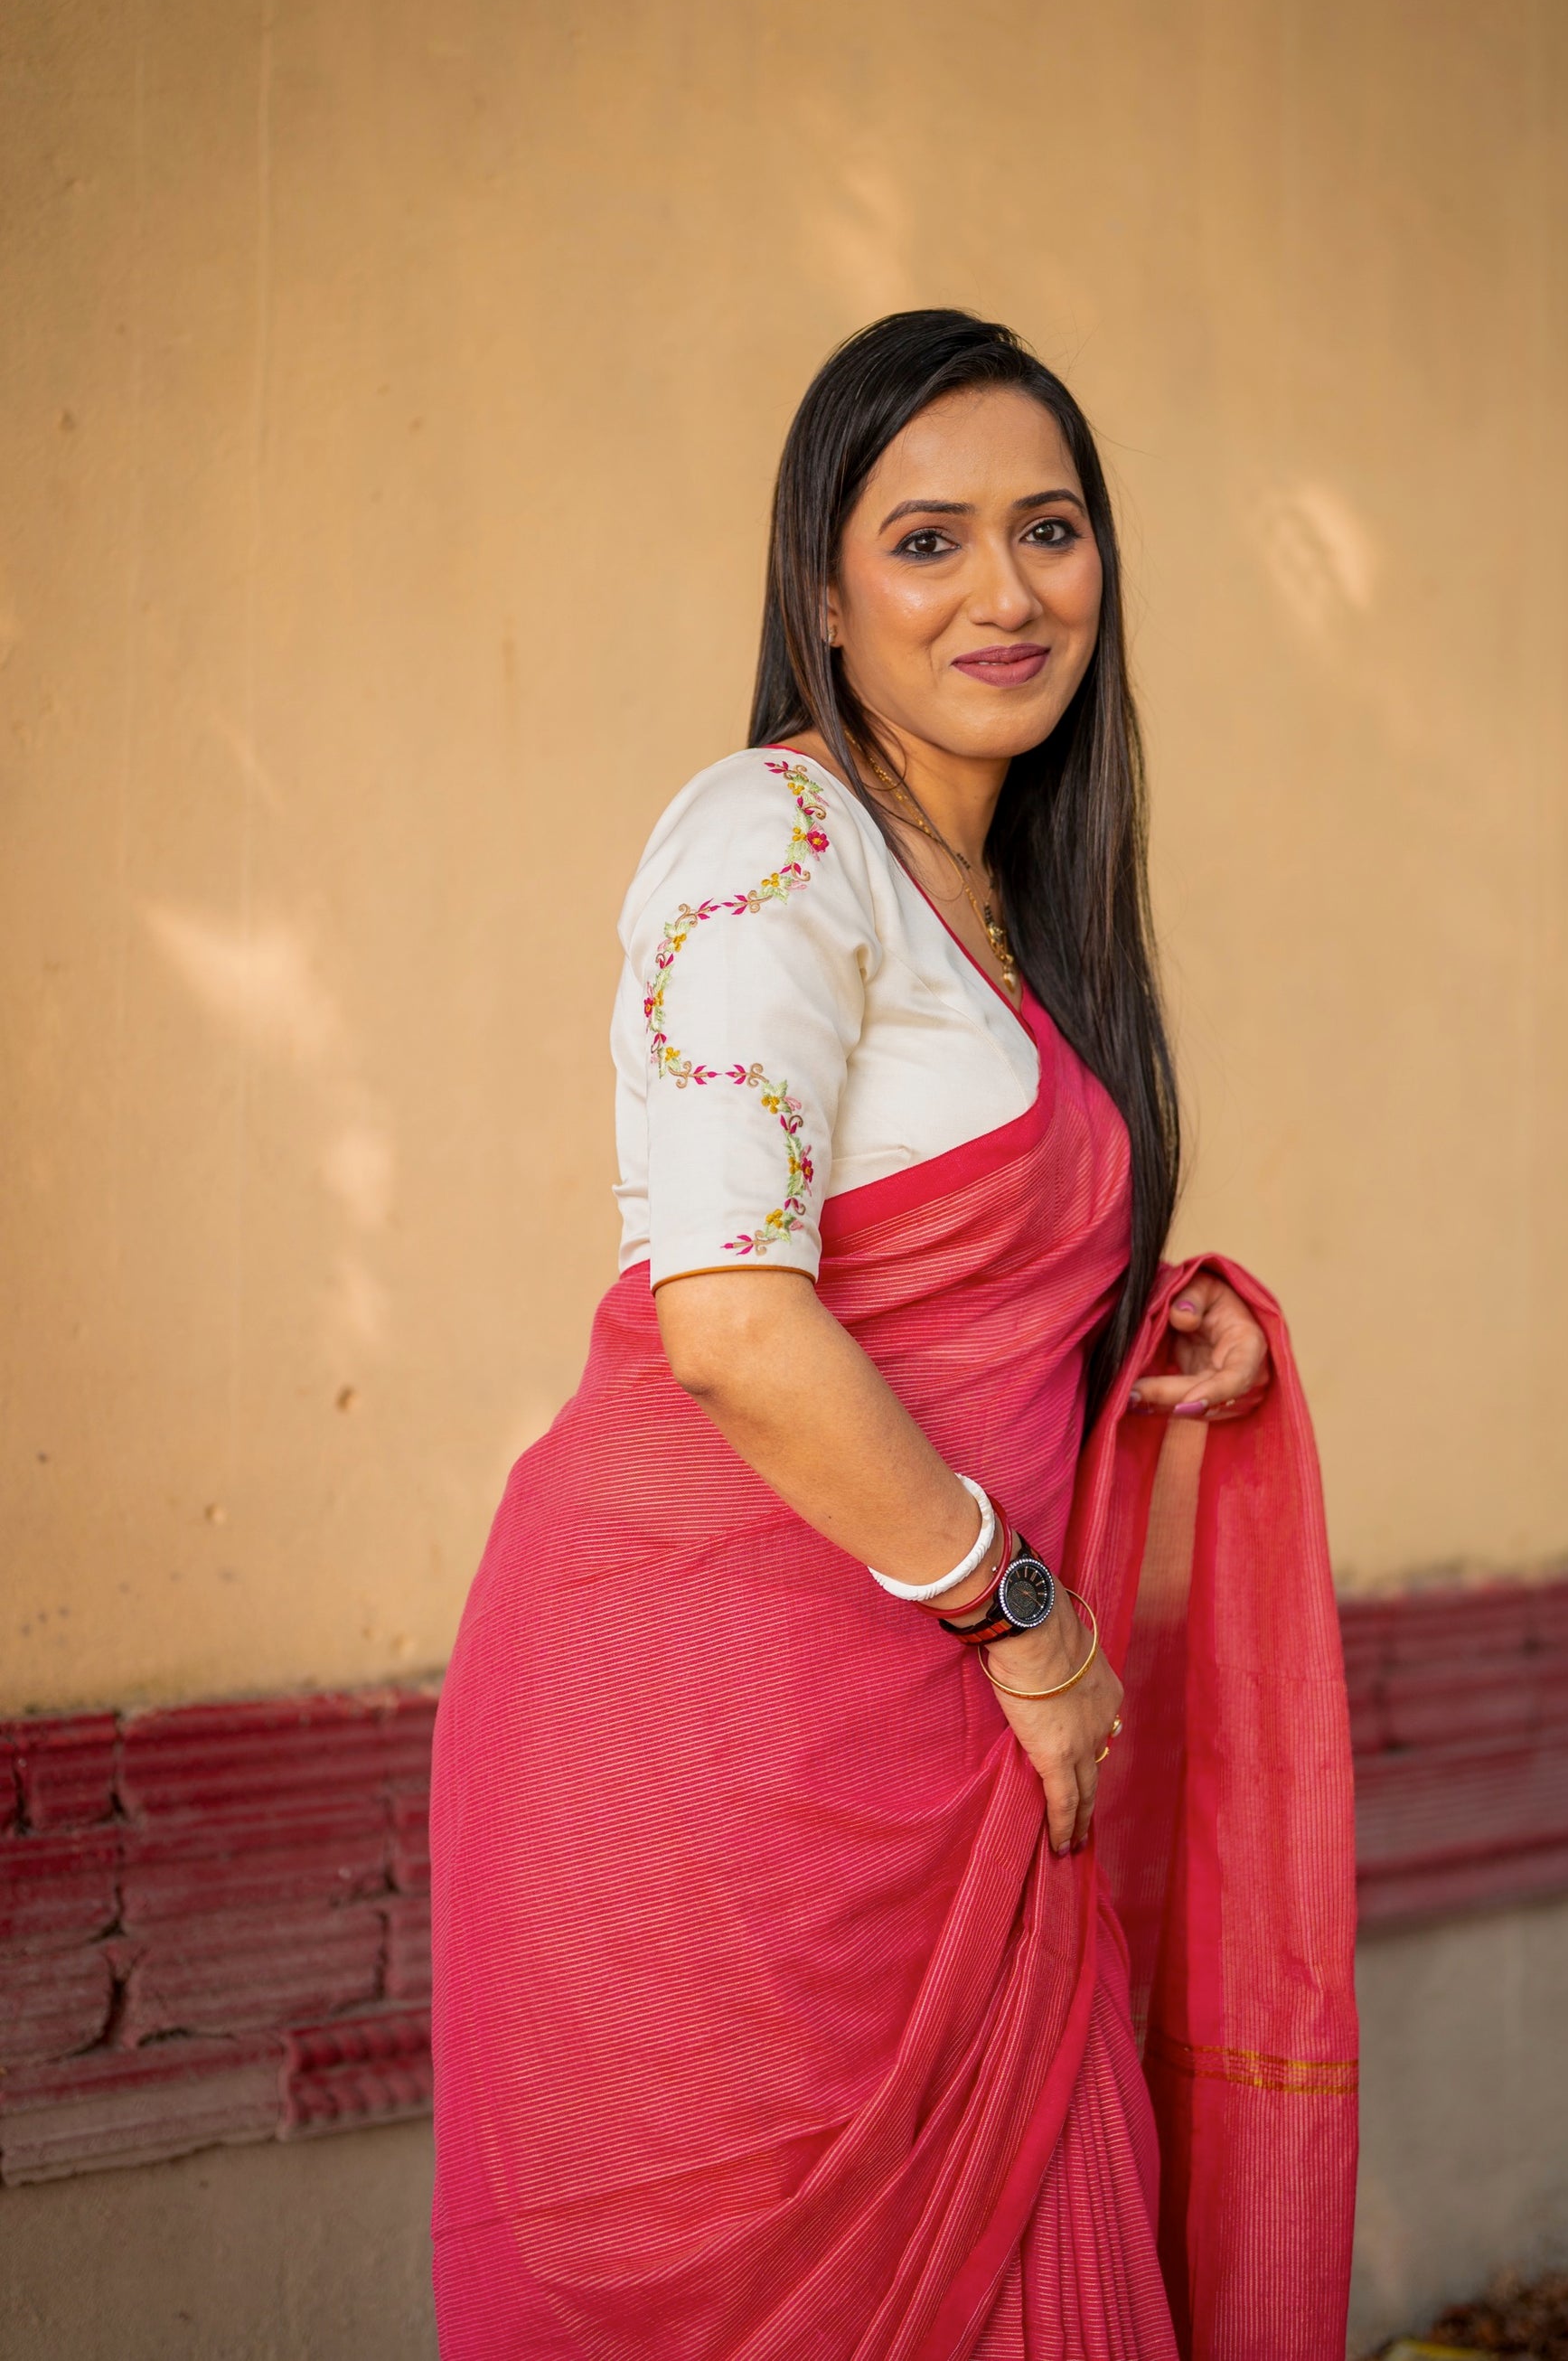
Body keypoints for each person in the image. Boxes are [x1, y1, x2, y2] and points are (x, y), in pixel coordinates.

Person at [428, 311, 1358, 2360]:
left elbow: (952, 1275)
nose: (1008, 589)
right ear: (823, 600)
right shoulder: (770, 839)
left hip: (953, 1719)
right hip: (734, 1725)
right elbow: (736, 1318)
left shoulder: (996, 894)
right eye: (926, 540)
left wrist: (1153, 1337)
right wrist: (1032, 1625)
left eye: (1050, 527)